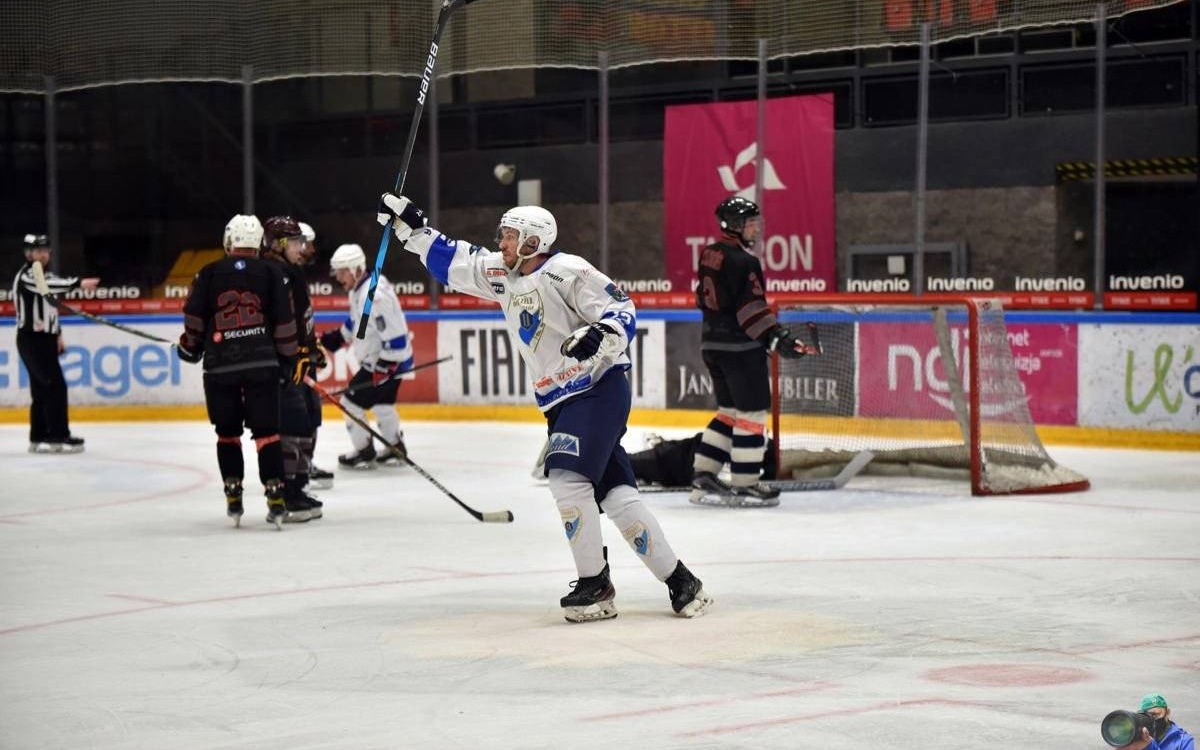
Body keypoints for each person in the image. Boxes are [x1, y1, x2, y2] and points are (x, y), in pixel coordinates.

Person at [376, 192, 713, 622]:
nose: (502, 243)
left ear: (534, 241)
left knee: (567, 479)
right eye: (503, 235)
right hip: (559, 401)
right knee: (617, 495)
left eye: (511, 236)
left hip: (596, 388)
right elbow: (456, 260)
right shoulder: (502, 273)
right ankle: (682, 582)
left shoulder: (567, 270)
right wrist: (411, 227)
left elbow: (620, 307)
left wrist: (599, 334)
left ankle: (595, 585)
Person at [177, 214, 306, 529]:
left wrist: (190, 347)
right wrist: (287, 360)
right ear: (258, 242)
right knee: (268, 434)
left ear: (228, 240)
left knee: (227, 433)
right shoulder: (272, 273)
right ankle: (275, 491)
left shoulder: (207, 274)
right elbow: (285, 322)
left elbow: (194, 317)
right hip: (262, 364)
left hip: (221, 366)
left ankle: (233, 490)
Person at [691, 196, 814, 506]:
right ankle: (746, 482)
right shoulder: (745, 262)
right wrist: (780, 338)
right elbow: (751, 311)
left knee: (729, 413)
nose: (756, 228)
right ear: (733, 225)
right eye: (750, 223)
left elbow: (700, 299)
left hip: (711, 344)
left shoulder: (709, 254)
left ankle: (703, 474)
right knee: (751, 415)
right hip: (740, 349)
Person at [318, 243, 413, 468]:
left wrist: (385, 367)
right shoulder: (360, 290)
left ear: (356, 269)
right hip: (390, 362)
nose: (338, 278)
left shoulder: (375, 295)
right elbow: (357, 323)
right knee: (383, 404)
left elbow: (396, 333)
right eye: (337, 272)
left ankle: (364, 451)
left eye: (342, 272)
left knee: (349, 404)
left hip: (384, 363)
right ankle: (395, 448)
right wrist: (334, 338)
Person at [10, 233, 99, 453]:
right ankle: (59, 434)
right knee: (55, 386)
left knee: (42, 388)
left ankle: (39, 435)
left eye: (45, 250)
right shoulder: (29, 275)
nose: (42, 254)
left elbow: (49, 305)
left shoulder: (40, 274)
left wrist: (57, 333)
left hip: (44, 339)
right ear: (28, 254)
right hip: (33, 340)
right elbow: (49, 287)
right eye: (37, 251)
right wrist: (79, 283)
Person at [261, 215, 325, 522]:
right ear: (278, 244)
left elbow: (300, 318)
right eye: (297, 243)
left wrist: (312, 349)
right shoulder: (273, 273)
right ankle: (286, 492)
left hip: (302, 361)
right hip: (285, 366)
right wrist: (293, 354)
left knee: (309, 420)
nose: (303, 248)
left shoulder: (291, 271)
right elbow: (276, 321)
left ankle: (298, 486)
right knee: (292, 424)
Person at [297, 221, 335, 491]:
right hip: (292, 360)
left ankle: (304, 465)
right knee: (298, 415)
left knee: (311, 412)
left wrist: (313, 346)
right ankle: (296, 470)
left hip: (303, 356)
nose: (311, 249)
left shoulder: (295, 275)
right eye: (307, 243)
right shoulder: (283, 275)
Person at [1117, 694, 1195, 750]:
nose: (1152, 718)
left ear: (1167, 713)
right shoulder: (1136, 736)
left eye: (1156, 714)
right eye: (1147, 715)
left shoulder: (1183, 740)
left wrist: (1149, 746)